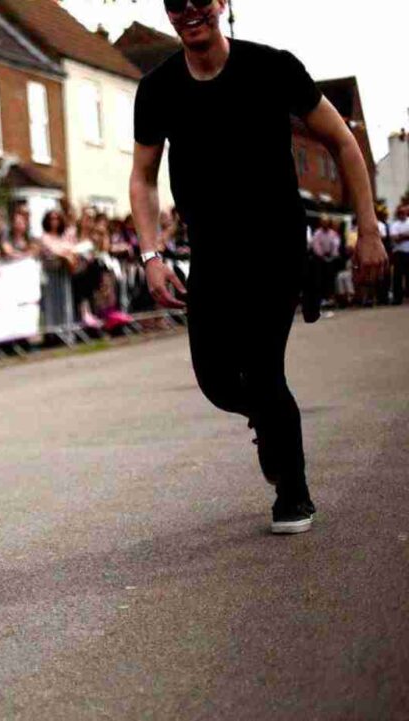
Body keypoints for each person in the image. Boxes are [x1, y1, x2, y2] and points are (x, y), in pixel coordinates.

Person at [130, 0, 387, 535]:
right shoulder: (157, 89)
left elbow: (342, 141)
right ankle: (270, 423)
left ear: (222, 3)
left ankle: (292, 491)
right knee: (216, 380)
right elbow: (143, 175)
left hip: (276, 246)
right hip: (212, 253)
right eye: (176, 3)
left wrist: (367, 230)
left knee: (265, 367)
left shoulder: (273, 67)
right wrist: (151, 256)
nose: (189, 10)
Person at [389, 203, 409, 305]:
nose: (401, 214)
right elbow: (394, 238)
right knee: (397, 276)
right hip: (399, 253)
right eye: (399, 212)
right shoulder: (395, 225)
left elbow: (398, 237)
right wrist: (406, 235)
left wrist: (400, 236)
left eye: (403, 212)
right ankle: (397, 298)